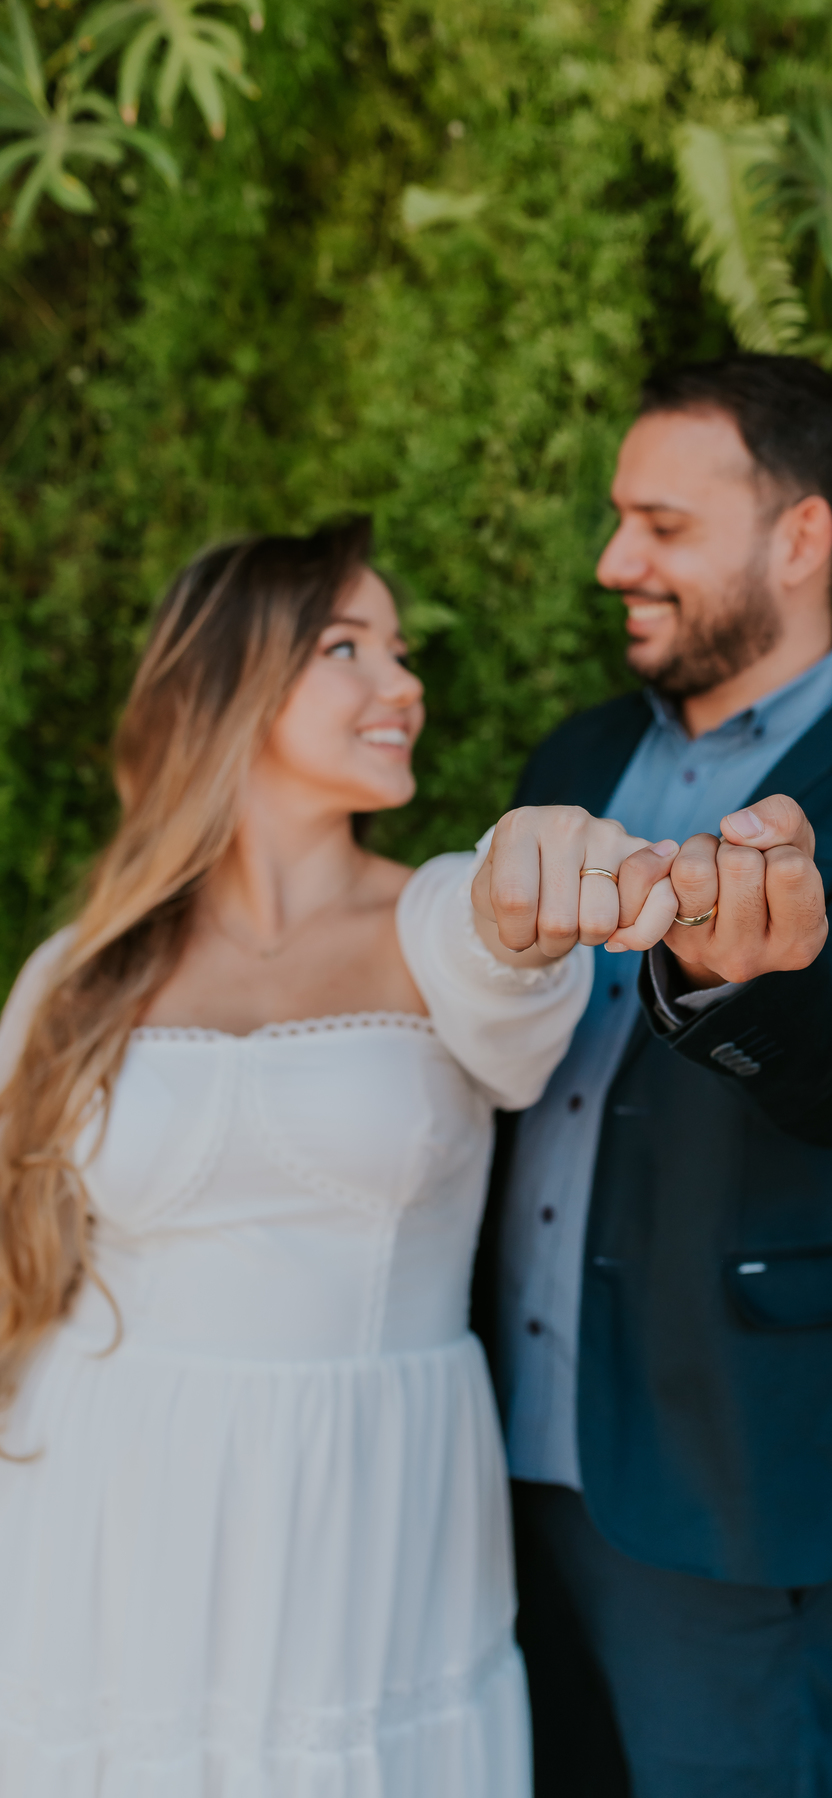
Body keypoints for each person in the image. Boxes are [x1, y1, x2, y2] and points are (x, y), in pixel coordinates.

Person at [0, 519, 685, 1795]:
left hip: (367, 1501)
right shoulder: (77, 973)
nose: (405, 682)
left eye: (402, 648)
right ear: (227, 682)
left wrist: (536, 890)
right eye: (347, 645)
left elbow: (506, 951)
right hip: (102, 1496)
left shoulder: (431, 917)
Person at [478, 355, 832, 1797]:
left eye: (662, 526)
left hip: (729, 1477)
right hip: (493, 1457)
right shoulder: (579, 751)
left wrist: (746, 971)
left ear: (800, 538)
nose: (617, 561)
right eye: (620, 518)